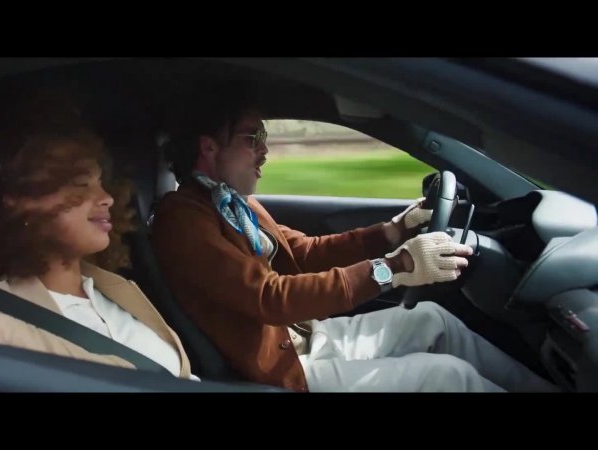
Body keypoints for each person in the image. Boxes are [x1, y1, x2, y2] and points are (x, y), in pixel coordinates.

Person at [150, 83, 557, 392]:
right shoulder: (182, 220)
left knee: (435, 321)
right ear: (209, 147)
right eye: (252, 138)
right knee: (447, 375)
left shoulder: (232, 203)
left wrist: (394, 229)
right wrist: (395, 267)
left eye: (264, 138)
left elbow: (304, 252)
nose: (264, 151)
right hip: (281, 369)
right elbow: (269, 297)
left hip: (301, 337)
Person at [0, 92, 195, 381]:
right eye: (80, 185)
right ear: (18, 202)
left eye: (100, 182)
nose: (107, 198)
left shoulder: (117, 292)